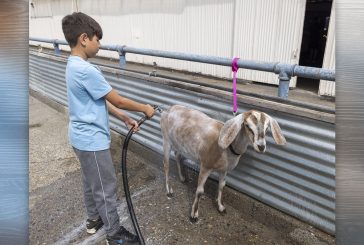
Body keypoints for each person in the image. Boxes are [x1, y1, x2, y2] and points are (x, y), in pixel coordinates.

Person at [61, 12, 155, 245]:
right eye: (97, 39)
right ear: (84, 38)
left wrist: (123, 118)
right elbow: (118, 99)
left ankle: (94, 220)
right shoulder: (87, 70)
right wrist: (144, 108)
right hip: (92, 141)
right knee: (105, 187)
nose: (99, 45)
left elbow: (99, 100)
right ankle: (114, 235)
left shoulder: (72, 65)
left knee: (91, 182)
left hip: (79, 138)